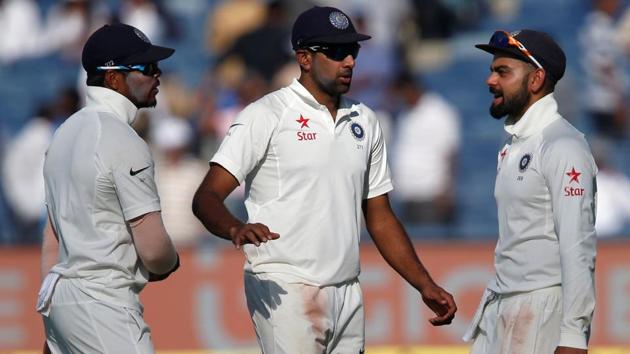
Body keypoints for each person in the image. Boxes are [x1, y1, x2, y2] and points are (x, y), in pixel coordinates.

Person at [192, 6, 456, 353]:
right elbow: (206, 197)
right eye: (335, 52)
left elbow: (379, 216)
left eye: (353, 51)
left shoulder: (365, 119)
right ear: (304, 58)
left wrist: (424, 284)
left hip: (347, 289)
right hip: (284, 285)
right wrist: (234, 228)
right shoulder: (266, 114)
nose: (349, 61)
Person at [37, 23, 180, 353]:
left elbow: (52, 237)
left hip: (60, 300)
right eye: (146, 68)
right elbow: (155, 249)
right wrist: (170, 262)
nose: (158, 75)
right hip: (103, 302)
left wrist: (58, 319)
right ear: (113, 78)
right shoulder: (121, 138)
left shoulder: (62, 135)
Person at [463, 30, 598, 354]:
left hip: (540, 311)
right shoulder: (518, 145)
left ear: (536, 79)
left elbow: (577, 246)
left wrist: (573, 336)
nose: (489, 80)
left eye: (502, 71)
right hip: (502, 306)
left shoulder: (563, 147)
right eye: (492, 70)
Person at [390, 71, 461, 225]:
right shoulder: (404, 113)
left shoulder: (438, 112)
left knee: (430, 246)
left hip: (430, 196)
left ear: (409, 89)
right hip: (405, 196)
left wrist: (446, 192)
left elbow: (451, 154)